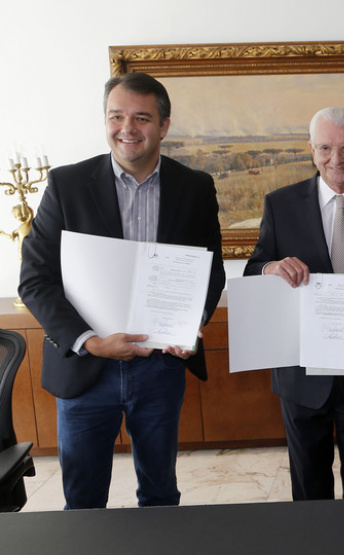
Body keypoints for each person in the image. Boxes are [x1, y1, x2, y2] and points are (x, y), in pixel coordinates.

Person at [18, 72, 226, 509]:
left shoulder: (195, 188)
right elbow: (35, 278)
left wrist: (191, 324)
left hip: (160, 370)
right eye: (116, 116)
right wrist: (90, 342)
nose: (127, 128)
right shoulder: (66, 184)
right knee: (83, 499)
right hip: (85, 368)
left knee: (160, 493)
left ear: (163, 126)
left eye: (142, 118)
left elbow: (210, 271)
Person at [244, 107, 344, 500]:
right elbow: (253, 269)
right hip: (301, 373)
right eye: (325, 147)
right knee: (309, 486)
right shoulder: (280, 204)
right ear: (312, 150)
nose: (336, 159)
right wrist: (272, 268)